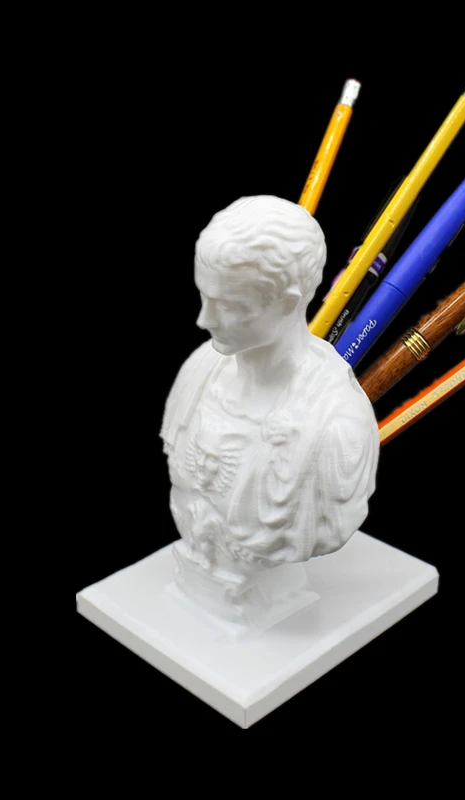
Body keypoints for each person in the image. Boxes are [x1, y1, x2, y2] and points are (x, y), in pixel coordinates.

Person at [160, 195, 379, 632]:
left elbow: (330, 521)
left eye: (229, 305)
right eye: (204, 296)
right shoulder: (199, 372)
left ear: (287, 301)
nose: (204, 319)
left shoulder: (335, 427)